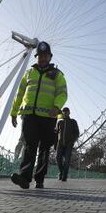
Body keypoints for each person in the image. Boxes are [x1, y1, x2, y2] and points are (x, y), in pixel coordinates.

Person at [10, 41, 67, 189]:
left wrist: (56, 106)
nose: (42, 58)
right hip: (29, 115)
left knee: (44, 149)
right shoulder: (29, 73)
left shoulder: (57, 75)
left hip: (48, 117)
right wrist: (14, 112)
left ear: (50, 57)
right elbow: (19, 94)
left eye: (45, 56)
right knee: (29, 146)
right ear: (36, 57)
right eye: (40, 56)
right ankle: (24, 177)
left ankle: (39, 178)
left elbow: (62, 93)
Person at [55, 107, 79, 181]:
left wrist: (73, 141)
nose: (65, 113)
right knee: (58, 158)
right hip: (60, 143)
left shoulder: (73, 122)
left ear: (69, 113)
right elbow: (56, 133)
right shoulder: (59, 122)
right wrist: (55, 144)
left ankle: (64, 176)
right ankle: (61, 172)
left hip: (69, 143)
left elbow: (77, 132)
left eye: (66, 112)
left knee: (67, 160)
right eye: (63, 112)